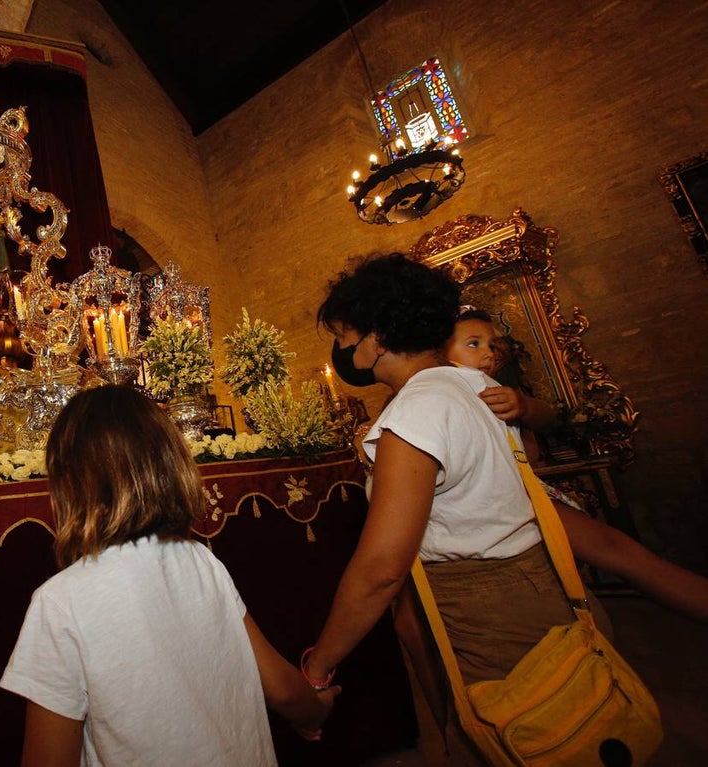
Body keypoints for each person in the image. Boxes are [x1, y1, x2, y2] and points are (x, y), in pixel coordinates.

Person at [301, 253, 578, 763]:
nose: (340, 349)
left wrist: (317, 669)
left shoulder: (416, 411)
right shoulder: (474, 384)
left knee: (518, 737)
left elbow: (383, 569)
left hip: (483, 609)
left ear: (377, 337)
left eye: (343, 335)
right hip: (539, 581)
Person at [0, 385, 335, 766]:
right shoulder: (201, 561)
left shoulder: (60, 603)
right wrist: (315, 710)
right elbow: (282, 689)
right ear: (170, 463)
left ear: (69, 484)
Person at [444, 306, 708, 624]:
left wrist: (522, 405)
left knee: (620, 554)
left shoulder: (494, 388)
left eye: (491, 344)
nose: (488, 352)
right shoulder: (440, 392)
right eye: (473, 343)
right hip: (487, 508)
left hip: (524, 494)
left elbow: (543, 425)